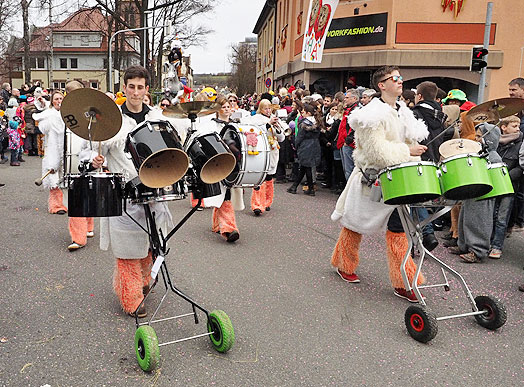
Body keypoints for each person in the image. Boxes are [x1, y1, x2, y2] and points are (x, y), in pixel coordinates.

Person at [330, 66, 429, 302]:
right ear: (381, 85)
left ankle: (405, 281)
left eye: (401, 77)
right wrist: (408, 151)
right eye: (394, 78)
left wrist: (414, 153)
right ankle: (344, 264)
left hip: (399, 178)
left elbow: (410, 140)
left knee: (398, 229)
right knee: (355, 224)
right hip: (372, 179)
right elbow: (376, 152)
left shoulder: (403, 111)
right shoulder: (370, 115)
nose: (400, 81)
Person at [91, 66, 172, 318]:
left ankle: (144, 280)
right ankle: (131, 297)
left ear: (147, 90)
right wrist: (96, 158)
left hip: (154, 190)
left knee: (151, 244)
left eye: (140, 87)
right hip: (124, 192)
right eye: (131, 87)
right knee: (127, 248)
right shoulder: (112, 119)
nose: (136, 92)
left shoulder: (157, 118)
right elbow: (94, 146)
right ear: (124, 88)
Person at [243, 99, 285, 216]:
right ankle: (257, 204)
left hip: (272, 150)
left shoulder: (275, 118)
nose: (268, 111)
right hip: (260, 150)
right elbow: (256, 132)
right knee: (259, 176)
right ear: (261, 109)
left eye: (270, 108)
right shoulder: (255, 119)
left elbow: (282, 138)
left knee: (269, 176)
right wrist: (268, 124)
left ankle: (267, 202)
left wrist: (277, 128)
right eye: (266, 108)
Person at [489, 115, 523, 258]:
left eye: (518, 126)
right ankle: (488, 242)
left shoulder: (520, 143)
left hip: (509, 185)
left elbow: (520, 167)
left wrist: (506, 177)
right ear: (503, 127)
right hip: (492, 183)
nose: (518, 129)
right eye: (514, 126)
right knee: (491, 215)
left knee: (502, 218)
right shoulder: (495, 142)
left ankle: (497, 246)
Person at [33, 91, 68, 214]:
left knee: (66, 174)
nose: (59, 101)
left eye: (61, 98)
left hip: (66, 148)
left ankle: (66, 203)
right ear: (52, 101)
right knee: (53, 173)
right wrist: (50, 121)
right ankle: (56, 206)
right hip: (53, 147)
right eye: (57, 99)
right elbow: (42, 128)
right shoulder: (49, 114)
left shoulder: (67, 114)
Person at [287, 103, 322, 195]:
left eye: (304, 111)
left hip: (305, 146)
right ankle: (294, 187)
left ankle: (310, 189)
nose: (302, 112)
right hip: (315, 145)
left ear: (308, 113)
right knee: (304, 166)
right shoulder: (317, 122)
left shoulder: (303, 123)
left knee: (306, 167)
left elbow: (299, 137)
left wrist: (296, 146)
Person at [337, 89, 359, 181]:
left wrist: (348, 140)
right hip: (344, 142)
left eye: (347, 97)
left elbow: (355, 127)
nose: (344, 99)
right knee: (346, 169)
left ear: (354, 98)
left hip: (349, 143)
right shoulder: (348, 110)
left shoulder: (357, 110)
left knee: (349, 170)